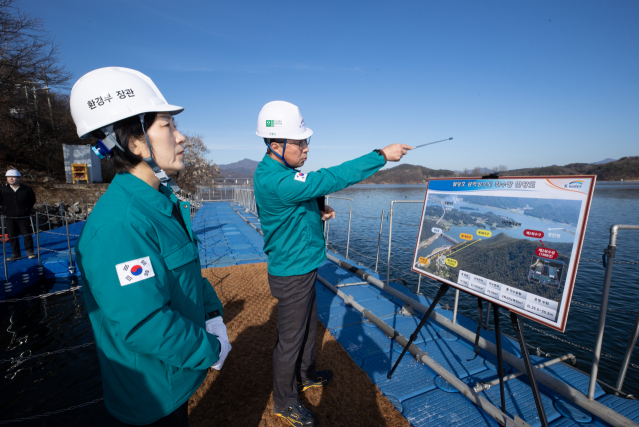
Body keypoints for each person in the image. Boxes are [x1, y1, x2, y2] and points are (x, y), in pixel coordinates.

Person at [69, 67, 231, 426]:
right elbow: (144, 325)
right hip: (152, 398)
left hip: (174, 380)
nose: (182, 136)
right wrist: (211, 348)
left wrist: (212, 314)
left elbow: (186, 272)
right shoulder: (120, 225)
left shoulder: (159, 202)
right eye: (167, 125)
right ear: (136, 143)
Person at [253, 100, 412, 426]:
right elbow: (328, 178)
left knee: (309, 327)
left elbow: (306, 192)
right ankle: (284, 401)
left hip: (303, 264)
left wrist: (318, 210)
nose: (307, 148)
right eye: (300, 142)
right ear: (275, 144)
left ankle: (307, 372)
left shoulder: (281, 172)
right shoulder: (275, 180)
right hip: (292, 271)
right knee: (290, 340)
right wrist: (380, 156)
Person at [0, 169, 36, 261]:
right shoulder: (3, 190)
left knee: (27, 234)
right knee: (12, 236)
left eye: (13, 177)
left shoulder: (27, 189)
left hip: (23, 216)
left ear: (19, 178)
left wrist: (27, 210)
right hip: (9, 217)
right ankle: (16, 253)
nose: (11, 179)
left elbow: (32, 200)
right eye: (8, 177)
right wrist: (3, 211)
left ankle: (30, 251)